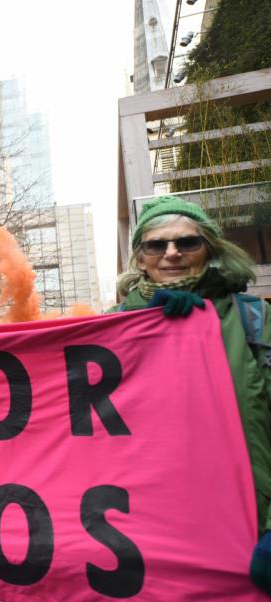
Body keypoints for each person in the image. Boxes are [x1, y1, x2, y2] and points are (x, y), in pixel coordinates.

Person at [114, 195, 271, 593]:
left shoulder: (256, 320)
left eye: (187, 243)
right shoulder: (109, 332)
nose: (172, 254)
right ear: (139, 258)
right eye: (156, 244)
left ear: (210, 251)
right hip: (151, 538)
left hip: (249, 527)